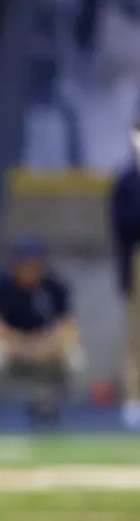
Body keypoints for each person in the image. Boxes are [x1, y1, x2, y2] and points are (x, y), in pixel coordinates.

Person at [0, 236, 82, 427]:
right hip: (11, 345)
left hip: (43, 346)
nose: (30, 269)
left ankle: (46, 406)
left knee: (75, 358)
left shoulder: (54, 286)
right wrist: (22, 345)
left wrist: (48, 345)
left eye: (35, 263)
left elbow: (68, 327)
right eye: (26, 263)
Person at [112, 118, 140, 429]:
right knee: (136, 334)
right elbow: (125, 226)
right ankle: (134, 398)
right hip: (137, 257)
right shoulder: (127, 181)